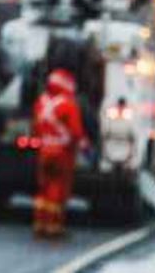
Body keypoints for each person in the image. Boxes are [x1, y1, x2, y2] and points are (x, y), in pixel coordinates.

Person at [32, 68, 87, 239]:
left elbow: (36, 127)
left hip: (44, 151)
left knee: (44, 189)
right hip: (61, 153)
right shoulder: (68, 105)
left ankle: (40, 224)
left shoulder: (41, 102)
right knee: (57, 190)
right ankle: (54, 227)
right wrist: (84, 147)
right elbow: (76, 132)